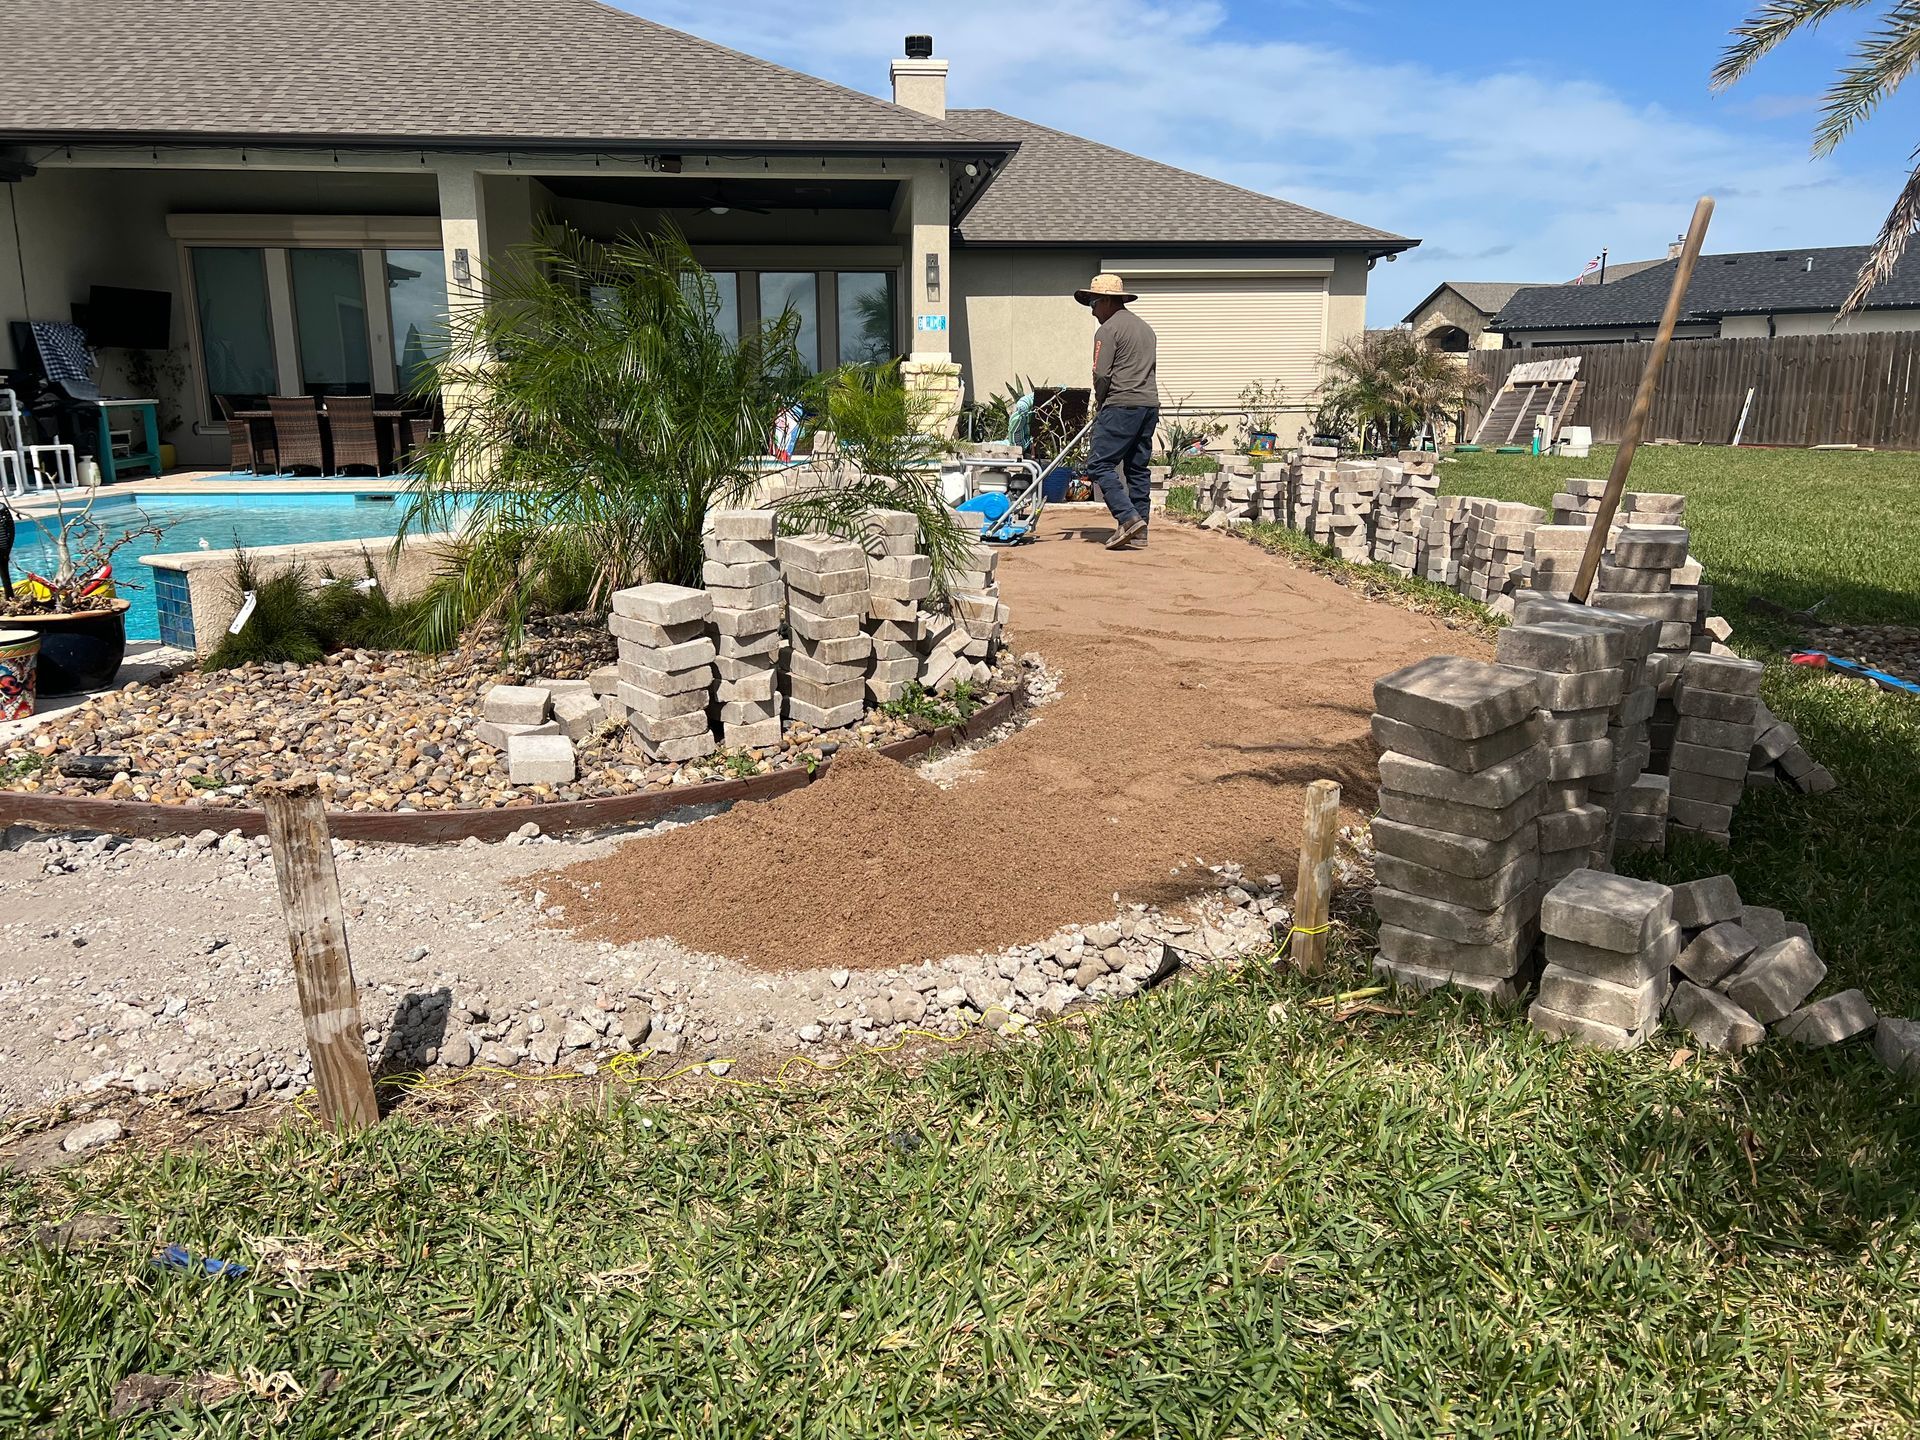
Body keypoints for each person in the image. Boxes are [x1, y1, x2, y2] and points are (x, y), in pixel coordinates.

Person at [1075, 273, 1159, 550]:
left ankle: (1128, 518)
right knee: (1137, 468)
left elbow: (1101, 373)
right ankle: (1141, 531)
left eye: (1093, 304)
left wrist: (1101, 401)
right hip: (1149, 405)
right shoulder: (1146, 329)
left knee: (1098, 464)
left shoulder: (1108, 330)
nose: (1092, 311)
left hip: (1121, 405)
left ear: (1108, 301)